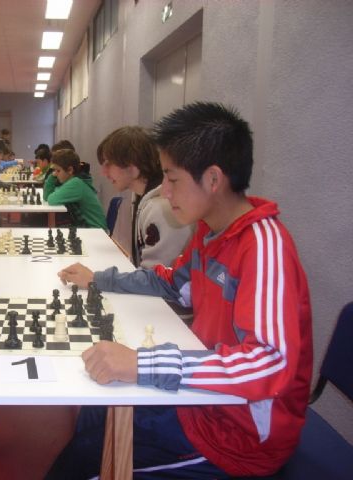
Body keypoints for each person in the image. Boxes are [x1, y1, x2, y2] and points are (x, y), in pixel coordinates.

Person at [51, 102, 313, 479]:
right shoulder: (210, 232)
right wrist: (99, 279)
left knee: (84, 459)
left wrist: (142, 364)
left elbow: (269, 363)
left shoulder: (263, 246)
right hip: (201, 398)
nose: (164, 190)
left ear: (213, 179)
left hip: (237, 436)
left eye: (173, 179)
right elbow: (170, 283)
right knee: (97, 404)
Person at [97, 126, 192, 268]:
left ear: (133, 168)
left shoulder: (162, 208)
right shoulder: (141, 198)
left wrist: (100, 277)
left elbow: (157, 277)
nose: (103, 172)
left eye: (108, 164)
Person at [44, 149, 107, 230]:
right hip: (90, 228)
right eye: (54, 170)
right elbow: (47, 197)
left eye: (58, 170)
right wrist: (52, 176)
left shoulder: (76, 184)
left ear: (70, 170)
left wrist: (52, 178)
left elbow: (51, 199)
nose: (55, 174)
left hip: (95, 230)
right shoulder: (74, 181)